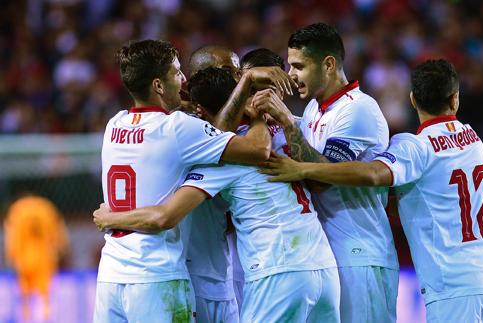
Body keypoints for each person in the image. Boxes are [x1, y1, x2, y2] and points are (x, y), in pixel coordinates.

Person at [260, 59, 483, 323]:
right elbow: (438, 200)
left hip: (457, 289)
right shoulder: (473, 138)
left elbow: (374, 174)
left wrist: (304, 170)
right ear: (455, 99)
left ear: (413, 100)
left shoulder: (415, 147)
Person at [94, 67, 341, 323]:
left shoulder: (222, 160)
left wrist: (111, 218)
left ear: (200, 111)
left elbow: (166, 215)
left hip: (276, 270)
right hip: (323, 265)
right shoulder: (283, 134)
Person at [257, 22, 399, 322]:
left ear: (329, 64)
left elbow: (323, 178)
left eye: (299, 66)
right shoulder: (314, 110)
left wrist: (286, 121)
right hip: (330, 255)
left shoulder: (358, 109)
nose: (291, 75)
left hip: (361, 254)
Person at [178, 45, 243, 323]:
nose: (238, 80)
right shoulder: (181, 128)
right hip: (192, 278)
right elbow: (256, 148)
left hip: (221, 272)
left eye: (240, 73)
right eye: (228, 72)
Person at [4, 195, 69, 321]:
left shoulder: (17, 209)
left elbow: (11, 235)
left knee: (24, 298)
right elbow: (57, 229)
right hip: (44, 257)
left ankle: (26, 319)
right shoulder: (46, 207)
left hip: (24, 257)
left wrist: (11, 256)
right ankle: (45, 319)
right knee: (45, 297)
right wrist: (60, 248)